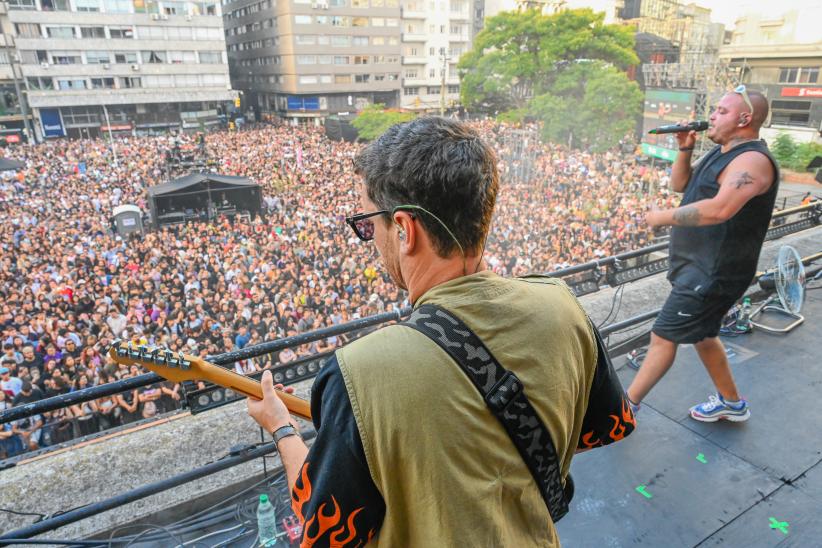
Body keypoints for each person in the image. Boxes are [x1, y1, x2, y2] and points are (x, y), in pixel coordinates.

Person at [248, 117, 635, 546]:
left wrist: (281, 427)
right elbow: (608, 426)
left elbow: (325, 528)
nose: (370, 238)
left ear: (404, 229)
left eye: (367, 225)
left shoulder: (358, 373)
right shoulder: (563, 305)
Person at [626, 86, 778, 422]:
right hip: (699, 267)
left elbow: (721, 209)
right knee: (705, 335)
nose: (712, 116)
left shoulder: (752, 160)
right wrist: (685, 149)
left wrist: (659, 218)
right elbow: (681, 186)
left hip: (714, 272)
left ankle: (625, 410)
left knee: (662, 336)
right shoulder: (721, 151)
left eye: (722, 111)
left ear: (745, 118)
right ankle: (732, 402)